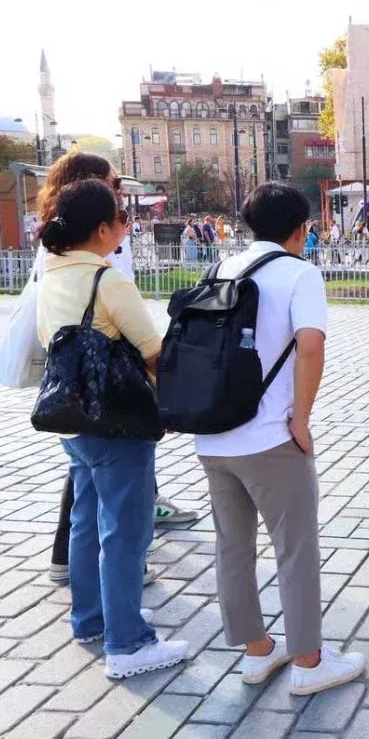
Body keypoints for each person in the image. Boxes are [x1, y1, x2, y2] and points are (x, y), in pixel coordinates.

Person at [195, 183, 367, 694]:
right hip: (270, 437)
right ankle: (310, 663)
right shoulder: (299, 273)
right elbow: (310, 346)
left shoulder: (221, 268)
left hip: (214, 437)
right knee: (295, 549)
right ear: (300, 229)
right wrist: (302, 419)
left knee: (233, 547)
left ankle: (256, 652)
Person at [36, 179, 190, 677]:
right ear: (103, 228)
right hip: (116, 423)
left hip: (72, 418)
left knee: (86, 522)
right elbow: (153, 354)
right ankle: (128, 644)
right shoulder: (107, 279)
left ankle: (92, 619)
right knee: (126, 530)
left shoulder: (51, 272)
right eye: (122, 218)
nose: (125, 225)